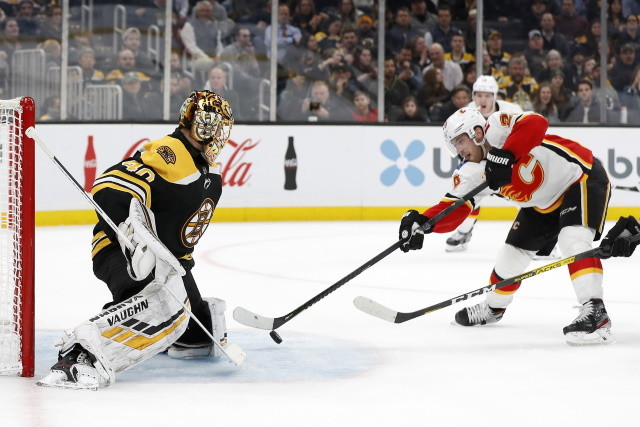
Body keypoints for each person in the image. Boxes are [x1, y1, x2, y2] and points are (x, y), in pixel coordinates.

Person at [37, 91, 235, 390]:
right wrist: (135, 240)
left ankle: (142, 312)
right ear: (202, 124)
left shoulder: (207, 173)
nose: (221, 134)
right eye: (216, 125)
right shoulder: (172, 152)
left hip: (167, 264)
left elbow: (179, 241)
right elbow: (108, 188)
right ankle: (78, 355)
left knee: (195, 334)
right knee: (161, 309)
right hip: (121, 253)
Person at [399, 108, 613, 346]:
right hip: (541, 203)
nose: (458, 149)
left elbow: (537, 123)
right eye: (454, 144)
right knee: (512, 253)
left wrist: (505, 154)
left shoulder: (498, 126)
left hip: (580, 176)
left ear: (477, 132)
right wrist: (423, 223)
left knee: (572, 240)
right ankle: (494, 307)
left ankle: (596, 312)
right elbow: (453, 207)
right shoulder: (471, 172)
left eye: (461, 140)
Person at [444, 75, 522, 252]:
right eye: (479, 95)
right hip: (480, 163)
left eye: (487, 95)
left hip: (505, 164)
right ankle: (464, 232)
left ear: (495, 96)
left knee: (523, 199)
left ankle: (543, 240)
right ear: (473, 96)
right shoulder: (466, 113)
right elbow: (458, 143)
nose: (483, 99)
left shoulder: (512, 110)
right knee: (469, 195)